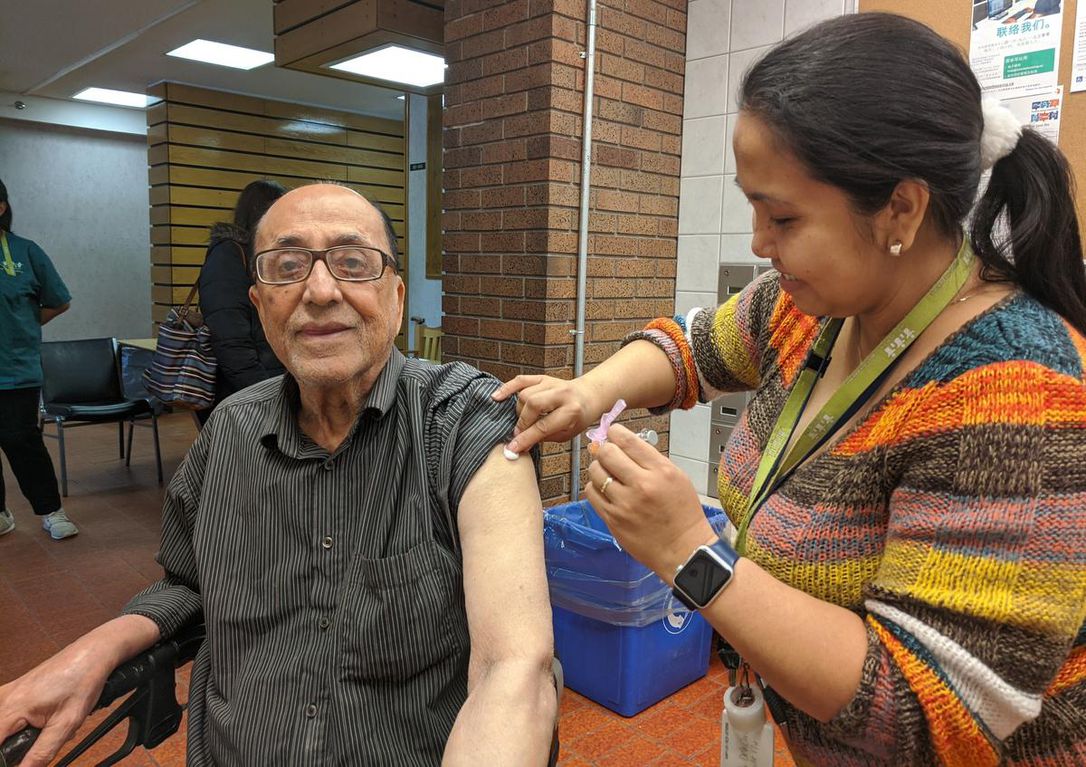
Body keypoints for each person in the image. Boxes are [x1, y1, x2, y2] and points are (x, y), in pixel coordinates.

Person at [497, 13, 1085, 766]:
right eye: (752, 207)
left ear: (899, 208)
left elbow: (927, 710)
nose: (758, 243)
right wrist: (585, 393)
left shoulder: (1011, 395)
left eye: (783, 216)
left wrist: (689, 551)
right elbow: (691, 349)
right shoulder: (816, 308)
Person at [0, 184, 557, 766]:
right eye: (287, 267)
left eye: (352, 262)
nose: (319, 291)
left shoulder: (465, 422)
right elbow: (189, 584)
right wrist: (91, 652)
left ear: (394, 297)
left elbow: (513, 667)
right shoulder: (228, 433)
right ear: (260, 306)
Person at [0, 178, 78, 541]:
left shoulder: (25, 251)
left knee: (22, 441)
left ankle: (51, 511)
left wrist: (25, 326)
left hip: (16, 371)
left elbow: (58, 300)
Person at [196, 179, 287, 425]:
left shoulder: (264, 257)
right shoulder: (229, 256)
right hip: (243, 392)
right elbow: (229, 338)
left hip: (270, 383)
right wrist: (264, 395)